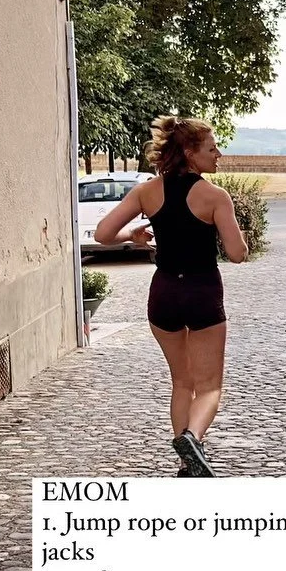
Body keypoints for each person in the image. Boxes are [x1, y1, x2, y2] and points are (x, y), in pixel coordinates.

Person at [94, 117, 248, 477]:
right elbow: (237, 253)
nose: (219, 154)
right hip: (202, 292)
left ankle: (187, 463)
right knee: (209, 387)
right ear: (190, 153)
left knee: (182, 382)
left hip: (163, 293)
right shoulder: (215, 196)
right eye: (212, 148)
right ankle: (192, 438)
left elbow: (103, 234)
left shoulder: (147, 191)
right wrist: (236, 237)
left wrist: (132, 236)